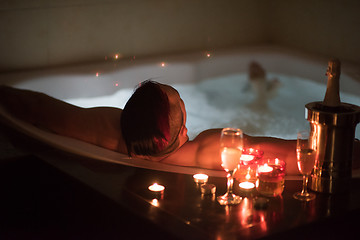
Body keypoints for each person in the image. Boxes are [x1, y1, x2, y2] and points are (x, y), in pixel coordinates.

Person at [0, 81, 359, 175]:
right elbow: (301, 155)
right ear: (179, 135)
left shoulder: (108, 126)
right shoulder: (208, 148)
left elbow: (38, 108)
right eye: (181, 111)